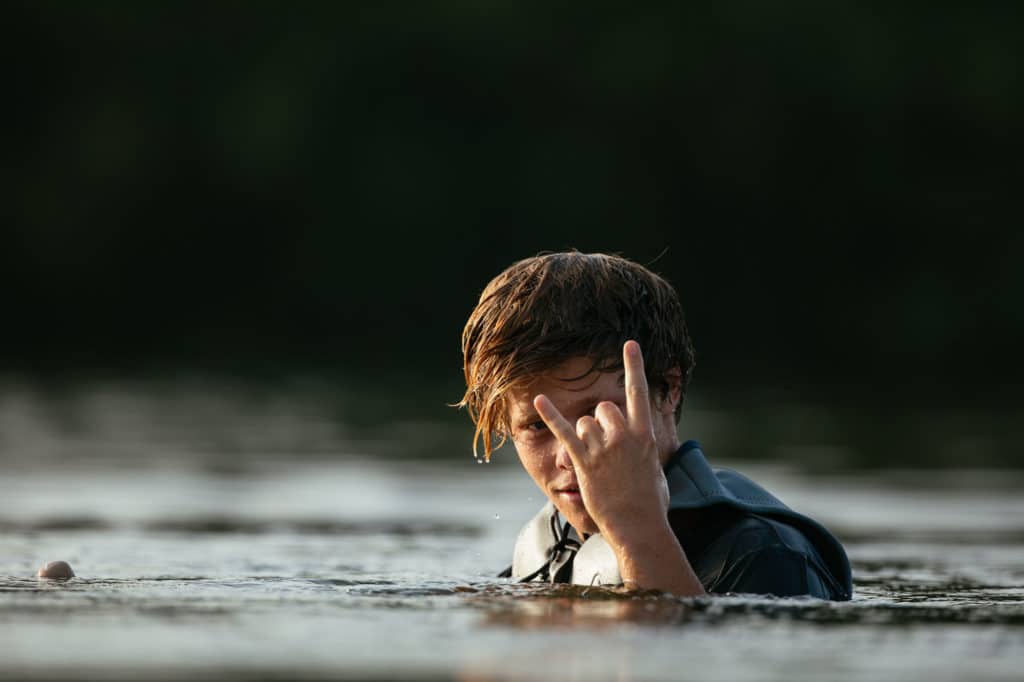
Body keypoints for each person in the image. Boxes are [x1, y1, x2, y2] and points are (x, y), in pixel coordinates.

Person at [457, 251, 852, 600]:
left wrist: (636, 531)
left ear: (669, 390)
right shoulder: (550, 544)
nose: (569, 453)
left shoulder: (768, 555)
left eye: (598, 415)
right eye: (539, 427)